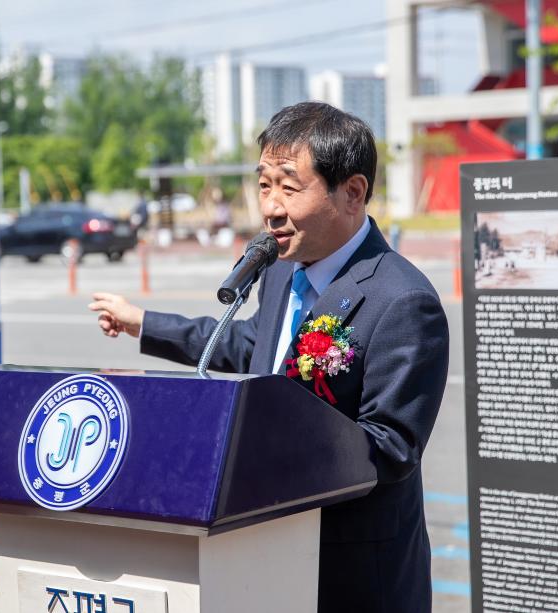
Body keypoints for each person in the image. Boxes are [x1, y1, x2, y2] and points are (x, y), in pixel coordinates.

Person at [88, 101, 449, 613]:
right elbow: (250, 346)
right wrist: (144, 324)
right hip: (262, 555)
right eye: (264, 185)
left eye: (289, 188)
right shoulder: (281, 269)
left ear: (353, 192)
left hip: (351, 573)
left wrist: (269, 448)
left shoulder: (403, 300)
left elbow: (391, 447)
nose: (271, 208)